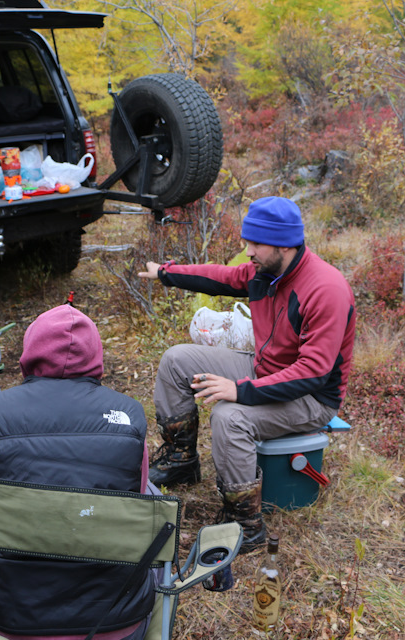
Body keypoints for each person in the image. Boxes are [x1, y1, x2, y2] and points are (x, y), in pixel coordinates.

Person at [137, 196, 356, 552]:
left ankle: (245, 523)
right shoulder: (266, 272)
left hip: (310, 397)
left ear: (283, 243)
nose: (248, 251)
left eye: (255, 243)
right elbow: (221, 277)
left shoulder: (325, 289)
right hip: (266, 370)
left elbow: (313, 374)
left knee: (229, 416)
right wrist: (167, 272)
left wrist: (241, 390)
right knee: (176, 359)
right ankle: (181, 460)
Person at [0, 304, 152, 640]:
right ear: (96, 354)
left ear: (31, 350)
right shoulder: (130, 414)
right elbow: (136, 501)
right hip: (114, 620)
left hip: (12, 619)